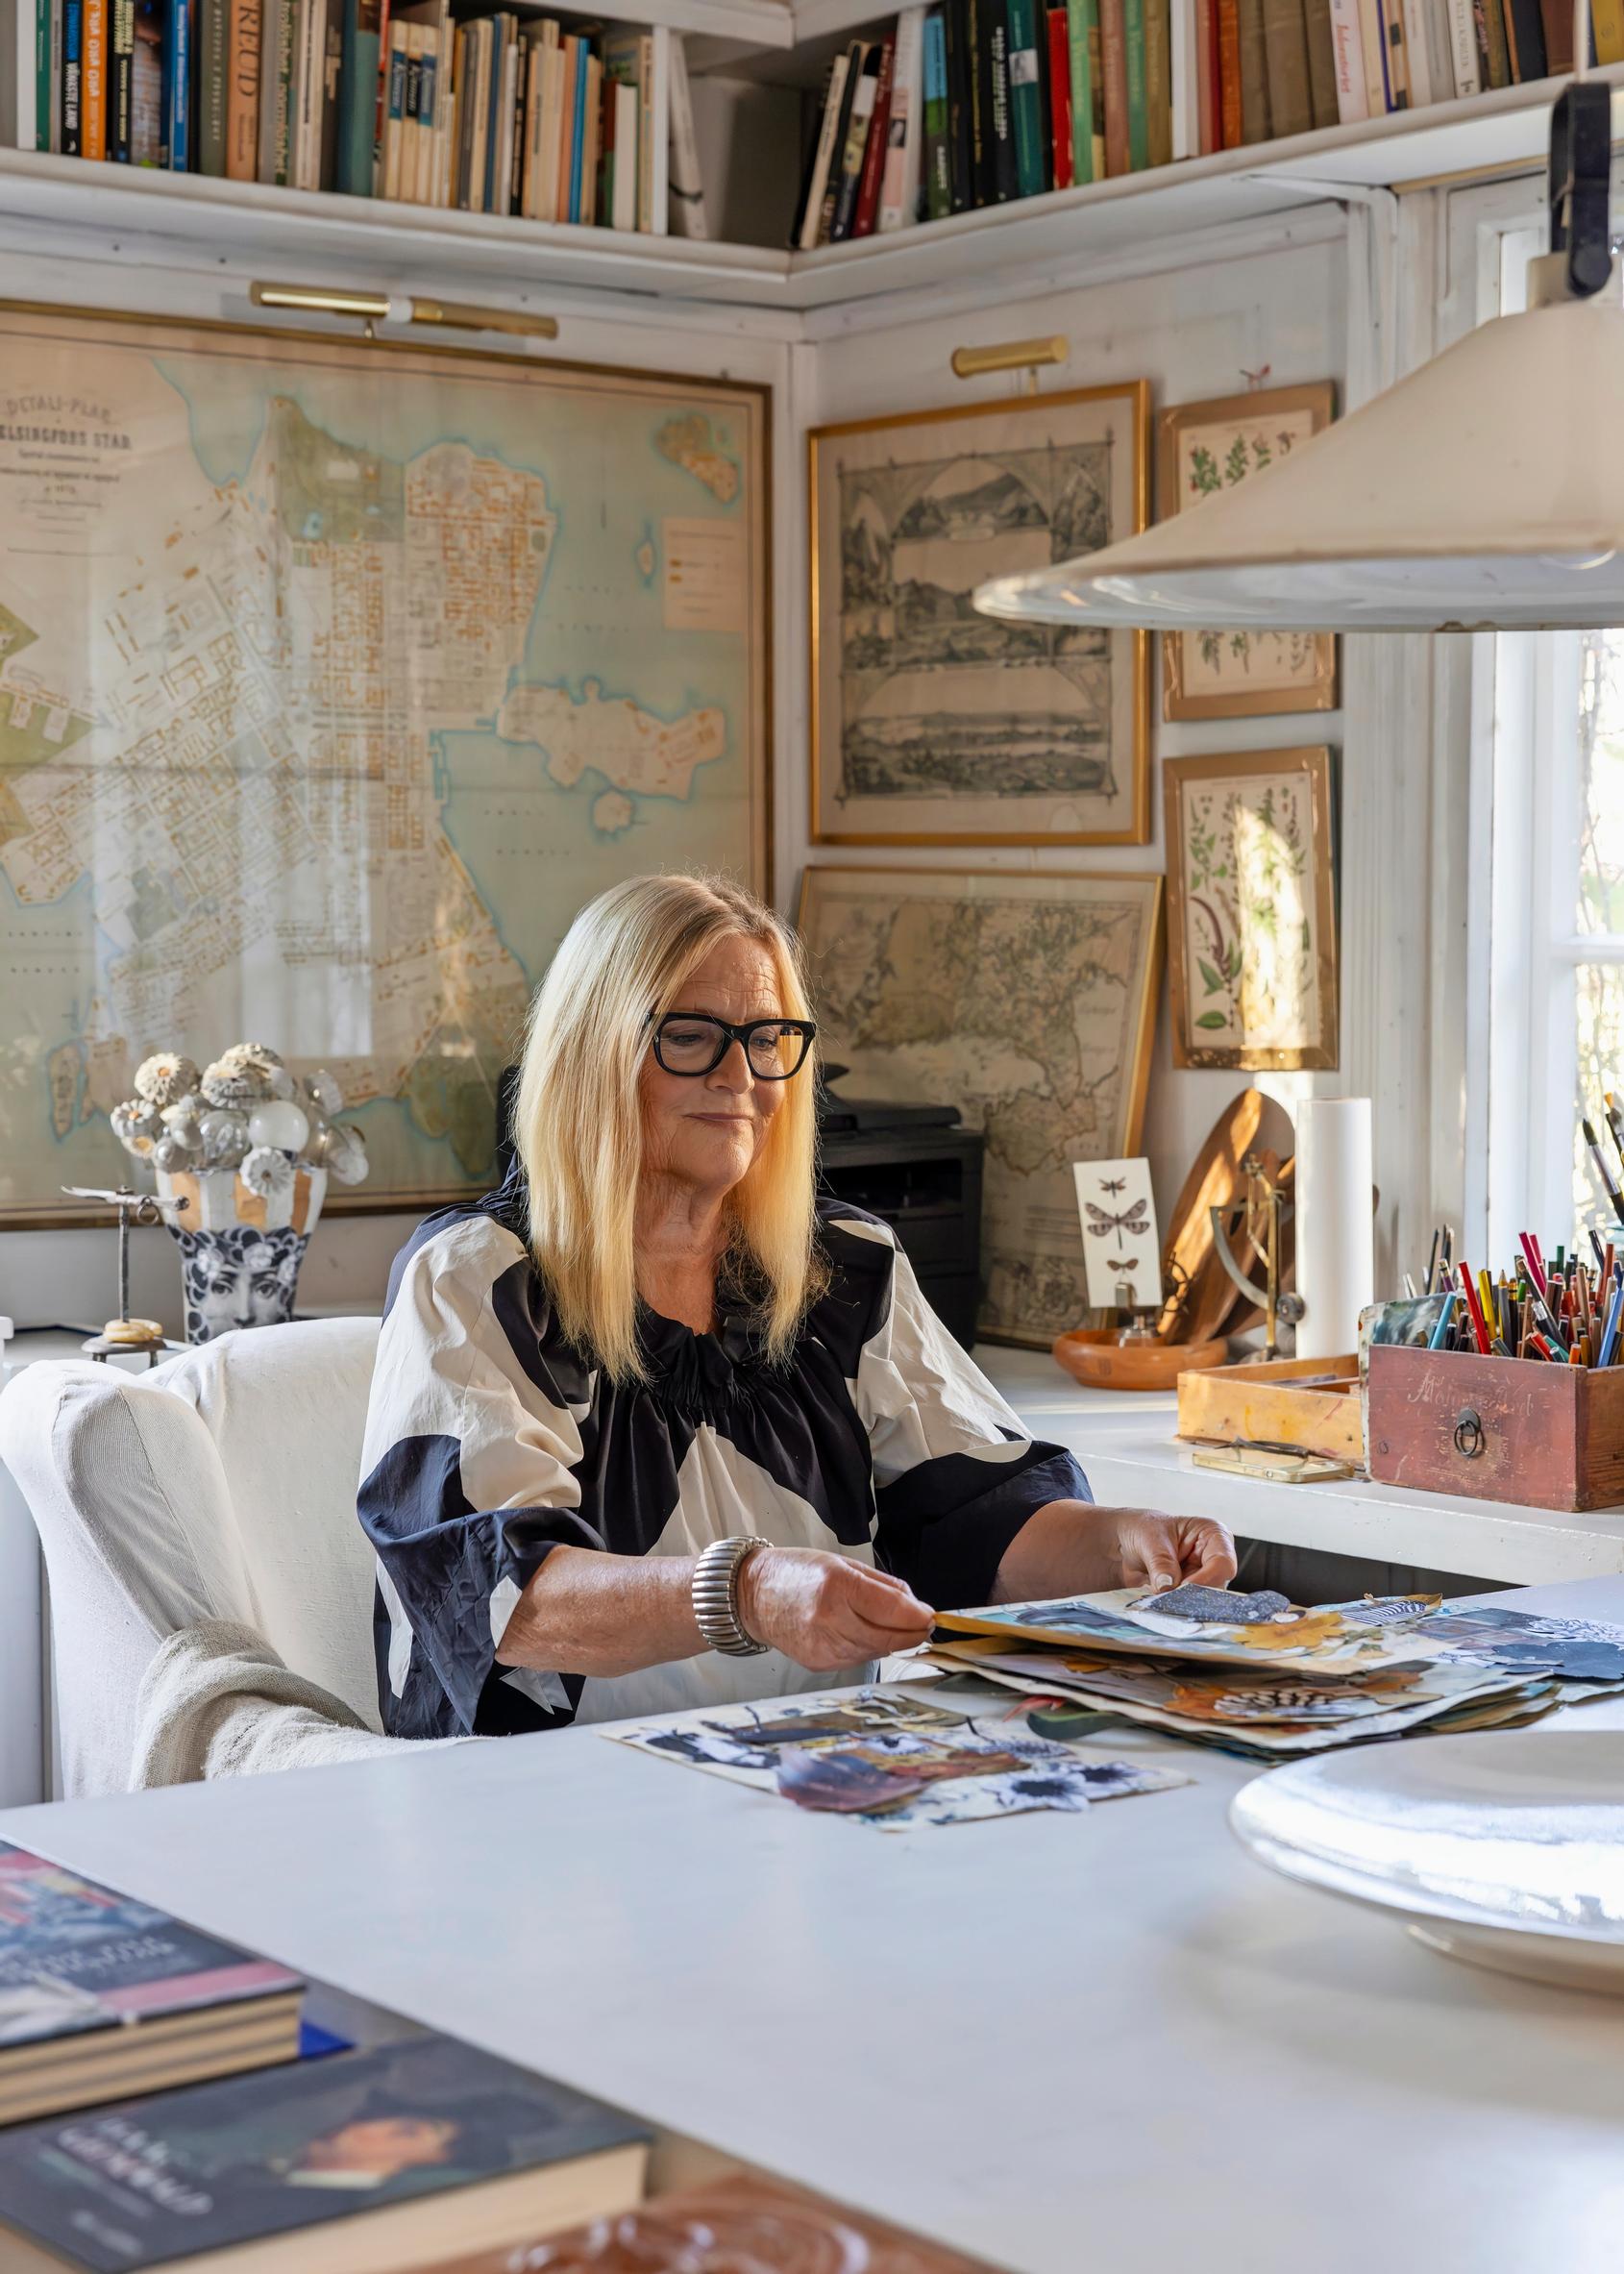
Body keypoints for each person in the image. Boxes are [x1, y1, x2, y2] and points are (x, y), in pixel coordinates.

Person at [357, 873, 1235, 1740]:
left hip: (807, 1782)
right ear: (592, 1053)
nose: (742, 1074)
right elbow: (504, 1599)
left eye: (768, 1037)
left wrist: (1127, 1544)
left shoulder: (845, 1268)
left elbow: (979, 1516)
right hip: (544, 1817)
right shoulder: (477, 1278)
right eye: (692, 1036)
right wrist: (748, 1594)